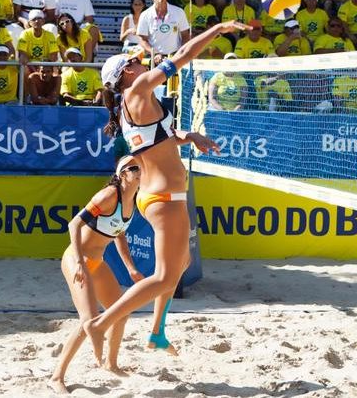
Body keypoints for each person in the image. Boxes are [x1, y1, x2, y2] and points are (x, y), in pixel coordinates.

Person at [82, 19, 246, 364]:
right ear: (127, 72)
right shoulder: (140, 89)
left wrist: (192, 137)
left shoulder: (132, 105)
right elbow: (183, 54)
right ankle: (101, 323)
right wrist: (217, 30)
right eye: (134, 60)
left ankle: (157, 331)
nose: (141, 61)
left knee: (179, 263)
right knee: (163, 276)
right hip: (163, 196)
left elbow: (161, 137)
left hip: (160, 195)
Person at [48, 155, 146, 394]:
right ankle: (56, 377)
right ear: (122, 173)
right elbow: (73, 224)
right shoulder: (108, 196)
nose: (140, 172)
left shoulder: (133, 200)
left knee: (121, 312)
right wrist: (80, 263)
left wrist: (131, 268)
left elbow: (119, 234)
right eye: (135, 168)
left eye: (141, 168)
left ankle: (110, 364)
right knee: (89, 321)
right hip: (76, 260)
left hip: (97, 262)